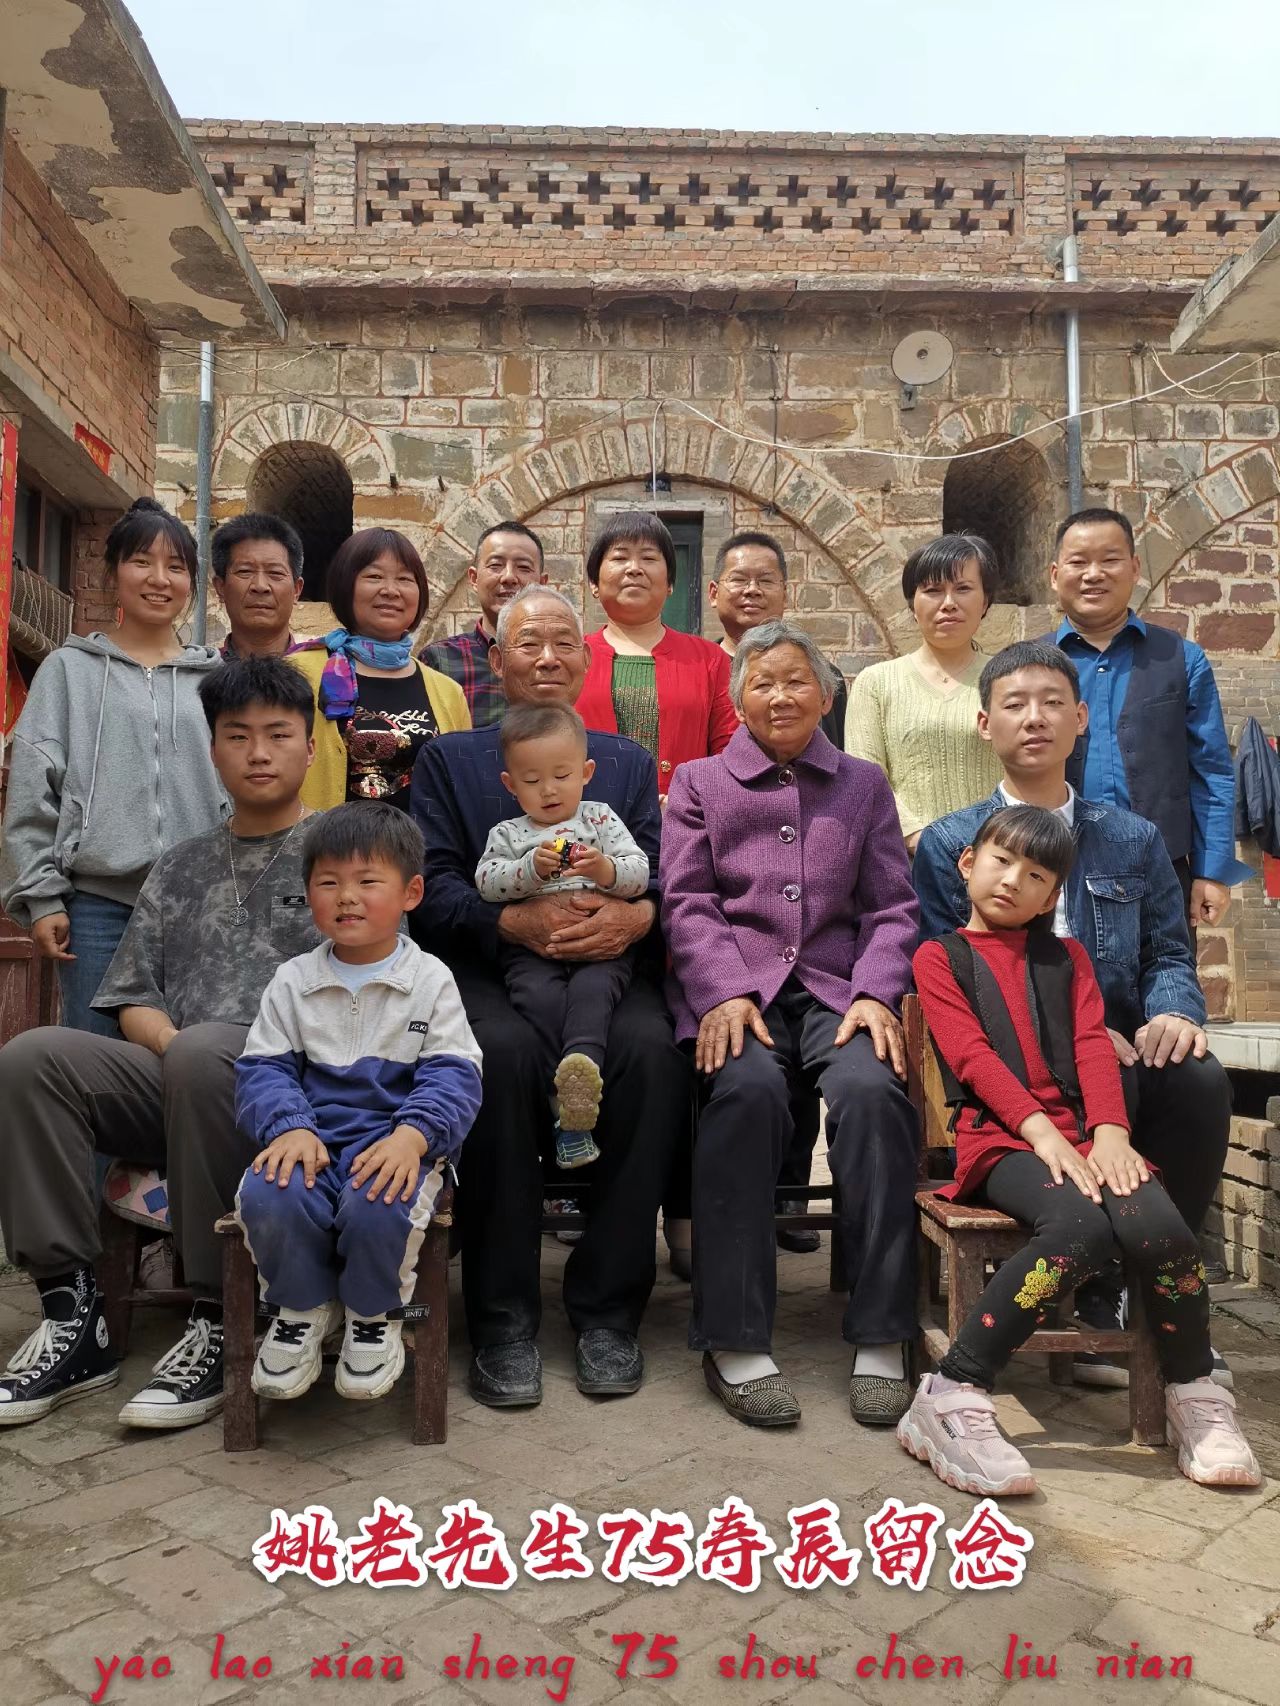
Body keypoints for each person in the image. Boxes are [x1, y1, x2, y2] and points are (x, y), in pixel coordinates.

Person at [0, 655, 322, 1428]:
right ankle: (73, 1313)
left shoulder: (343, 854)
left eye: (278, 734)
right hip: (185, 1081)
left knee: (204, 1052)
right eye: (237, 736)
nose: (257, 752)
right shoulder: (180, 865)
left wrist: (200, 1052)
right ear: (212, 750)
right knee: (33, 1059)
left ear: (310, 747)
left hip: (304, 1096)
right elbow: (133, 997)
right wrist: (176, 1045)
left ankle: (220, 1313)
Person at [901, 805, 1260, 1493]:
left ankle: (1192, 1392)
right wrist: (1040, 1132)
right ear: (967, 864)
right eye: (1001, 861)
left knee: (1165, 1233)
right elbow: (972, 1058)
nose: (1014, 880)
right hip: (1001, 1143)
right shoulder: (940, 958)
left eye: (1036, 875)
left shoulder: (1067, 959)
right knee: (1080, 1233)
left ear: (1052, 898)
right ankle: (953, 1389)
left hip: (1085, 1138)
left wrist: (1111, 1134)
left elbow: (1094, 1046)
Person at [913, 640, 1234, 1387]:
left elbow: (1168, 953)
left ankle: (1134, 1302)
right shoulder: (952, 842)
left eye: (1053, 702)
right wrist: (1068, 1035)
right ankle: (1088, 1296)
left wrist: (1170, 1014)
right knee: (1103, 1095)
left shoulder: (1132, 836)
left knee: (1198, 1077)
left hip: (1120, 1048)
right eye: (1015, 704)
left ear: (1081, 718)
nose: (1035, 718)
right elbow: (954, 973)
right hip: (1022, 1072)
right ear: (985, 724)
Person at [410, 584, 684, 1408]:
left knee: (651, 1053)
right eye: (527, 643)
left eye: (566, 642)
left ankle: (608, 1312)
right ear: (496, 660)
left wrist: (636, 918)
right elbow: (433, 884)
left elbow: (663, 876)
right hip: (492, 969)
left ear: (587, 658)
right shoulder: (452, 761)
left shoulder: (624, 762)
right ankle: (503, 1320)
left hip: (608, 966)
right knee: (499, 1055)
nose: (548, 658)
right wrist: (512, 922)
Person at [661, 620, 920, 1429]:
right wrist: (722, 992)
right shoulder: (700, 782)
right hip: (738, 992)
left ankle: (883, 1335)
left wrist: (876, 992)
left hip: (837, 991)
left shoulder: (863, 785)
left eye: (796, 680)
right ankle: (734, 1339)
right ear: (738, 699)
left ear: (827, 694)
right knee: (744, 1093)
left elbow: (892, 907)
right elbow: (687, 902)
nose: (780, 695)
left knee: (874, 1095)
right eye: (762, 682)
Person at [235, 803, 482, 1404]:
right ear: (309, 894)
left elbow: (455, 1074)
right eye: (328, 882)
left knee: (381, 1202)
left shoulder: (429, 980)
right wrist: (289, 1127)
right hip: (311, 1140)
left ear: (410, 893)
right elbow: (262, 1069)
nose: (346, 897)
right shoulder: (292, 981)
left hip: (394, 1144)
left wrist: (413, 1137)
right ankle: (302, 1309)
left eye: (367, 881)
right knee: (269, 1195)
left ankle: (375, 1315)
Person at [1, 497, 225, 1035]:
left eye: (176, 567)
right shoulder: (68, 671)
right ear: (113, 572)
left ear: (192, 583)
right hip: (98, 906)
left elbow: (242, 785)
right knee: (95, 1062)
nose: (159, 579)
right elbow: (33, 788)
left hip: (199, 905)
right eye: (141, 561)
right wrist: (41, 898)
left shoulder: (217, 680)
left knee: (189, 1058)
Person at [1045, 506, 1249, 930]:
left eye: (1110, 560)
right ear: (1055, 575)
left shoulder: (1181, 658)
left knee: (1167, 973)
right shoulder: (1032, 663)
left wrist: (1211, 871)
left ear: (1135, 568)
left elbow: (1211, 770)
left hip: (1161, 871)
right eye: (1079, 562)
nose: (1094, 574)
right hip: (1053, 873)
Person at [476, 702, 650, 1169]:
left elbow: (639, 873)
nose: (548, 790)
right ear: (510, 784)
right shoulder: (508, 833)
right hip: (535, 951)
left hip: (600, 948)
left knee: (594, 994)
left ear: (586, 773)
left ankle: (582, 1072)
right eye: (532, 781)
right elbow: (486, 883)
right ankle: (566, 1102)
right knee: (537, 999)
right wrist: (528, 870)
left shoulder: (600, 820)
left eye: (561, 775)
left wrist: (605, 869)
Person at [292, 527, 469, 813]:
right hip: (325, 839)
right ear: (345, 585)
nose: (390, 590)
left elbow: (460, 786)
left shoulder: (448, 692)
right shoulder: (298, 673)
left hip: (421, 842)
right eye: (374, 577)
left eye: (404, 579)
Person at [846, 532, 1003, 855]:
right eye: (933, 591)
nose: (949, 603)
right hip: (904, 863)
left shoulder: (1010, 678)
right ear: (912, 605)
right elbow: (864, 779)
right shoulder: (876, 683)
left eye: (963, 589)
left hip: (999, 858)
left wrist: (994, 847)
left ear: (985, 601)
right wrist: (926, 841)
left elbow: (1029, 769)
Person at [574, 511, 737, 796]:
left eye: (648, 558)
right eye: (620, 557)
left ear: (670, 583)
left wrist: (688, 803)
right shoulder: (571, 658)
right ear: (594, 583)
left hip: (687, 815)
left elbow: (730, 753)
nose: (634, 568)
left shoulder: (710, 660)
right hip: (586, 817)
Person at [709, 530, 847, 750]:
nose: (752, 590)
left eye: (765, 580)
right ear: (713, 593)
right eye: (739, 579)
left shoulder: (824, 676)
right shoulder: (700, 673)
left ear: (785, 595)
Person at [419, 522, 548, 726]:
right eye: (495, 565)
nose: (509, 577)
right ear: (474, 578)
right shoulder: (439, 660)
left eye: (523, 567)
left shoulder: (557, 659)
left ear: (542, 583)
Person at [212, 511, 305, 658]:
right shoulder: (199, 670)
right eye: (245, 571)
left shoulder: (326, 669)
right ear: (220, 587)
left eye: (275, 573)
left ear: (296, 589)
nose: (260, 586)